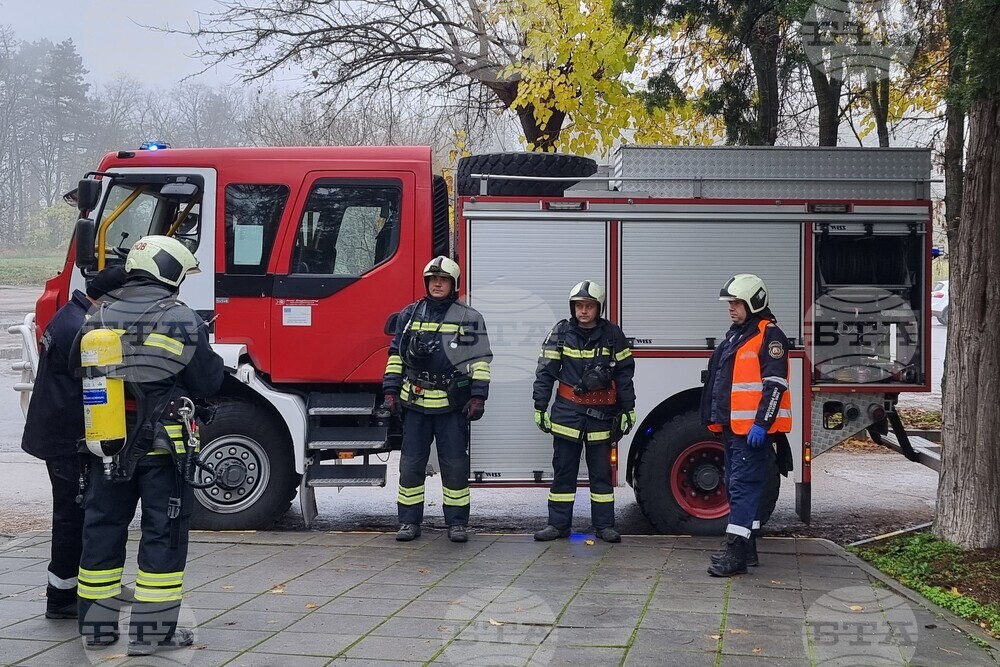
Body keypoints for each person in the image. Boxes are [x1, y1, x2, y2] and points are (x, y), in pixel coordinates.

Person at [72, 236, 224, 654]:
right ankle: (152, 635)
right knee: (163, 535)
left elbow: (75, 371)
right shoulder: (180, 317)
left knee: (101, 531)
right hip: (164, 450)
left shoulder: (98, 312)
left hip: (104, 445)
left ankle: (97, 629)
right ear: (169, 270)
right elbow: (208, 382)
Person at [20, 265, 128, 620]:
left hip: (54, 432)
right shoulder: (85, 328)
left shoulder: (69, 314)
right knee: (72, 515)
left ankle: (68, 589)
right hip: (67, 439)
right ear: (110, 299)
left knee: (70, 513)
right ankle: (62, 595)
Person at [383, 256, 492, 543]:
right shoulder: (409, 315)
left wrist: (478, 397)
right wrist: (390, 391)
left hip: (452, 406)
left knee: (455, 467)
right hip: (415, 404)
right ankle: (408, 522)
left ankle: (457, 524)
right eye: (433, 280)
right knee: (410, 466)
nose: (437, 284)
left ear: (453, 284)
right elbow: (396, 355)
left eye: (443, 280)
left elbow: (480, 360)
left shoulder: (469, 317)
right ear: (426, 282)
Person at [701, 273, 792, 577]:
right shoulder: (739, 334)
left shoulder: (770, 335)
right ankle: (748, 548)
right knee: (737, 485)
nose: (731, 308)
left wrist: (762, 424)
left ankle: (735, 554)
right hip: (733, 429)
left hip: (750, 432)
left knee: (743, 487)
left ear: (755, 302)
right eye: (731, 303)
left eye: (737, 303)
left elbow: (775, 385)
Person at [532, 281, 636, 543]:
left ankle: (604, 527)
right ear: (573, 307)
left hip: (601, 414)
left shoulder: (613, 335)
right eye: (579, 306)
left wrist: (628, 408)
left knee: (601, 475)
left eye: (589, 306)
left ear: (598, 308)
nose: (583, 311)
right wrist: (540, 406)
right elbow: (545, 372)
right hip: (568, 413)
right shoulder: (561, 333)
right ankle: (557, 525)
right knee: (563, 472)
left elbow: (624, 375)